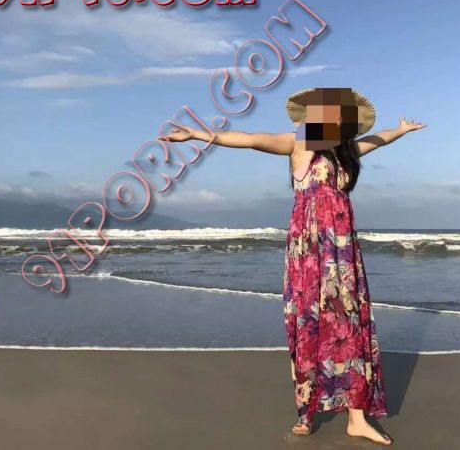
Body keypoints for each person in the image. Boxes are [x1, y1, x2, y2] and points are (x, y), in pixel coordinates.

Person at [161, 87, 427, 445]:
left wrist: (402, 130)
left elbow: (378, 139)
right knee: (307, 324)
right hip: (308, 252)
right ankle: (306, 412)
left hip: (342, 252)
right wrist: (197, 134)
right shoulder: (298, 144)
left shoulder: (348, 152)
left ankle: (357, 418)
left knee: (349, 324)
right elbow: (251, 139)